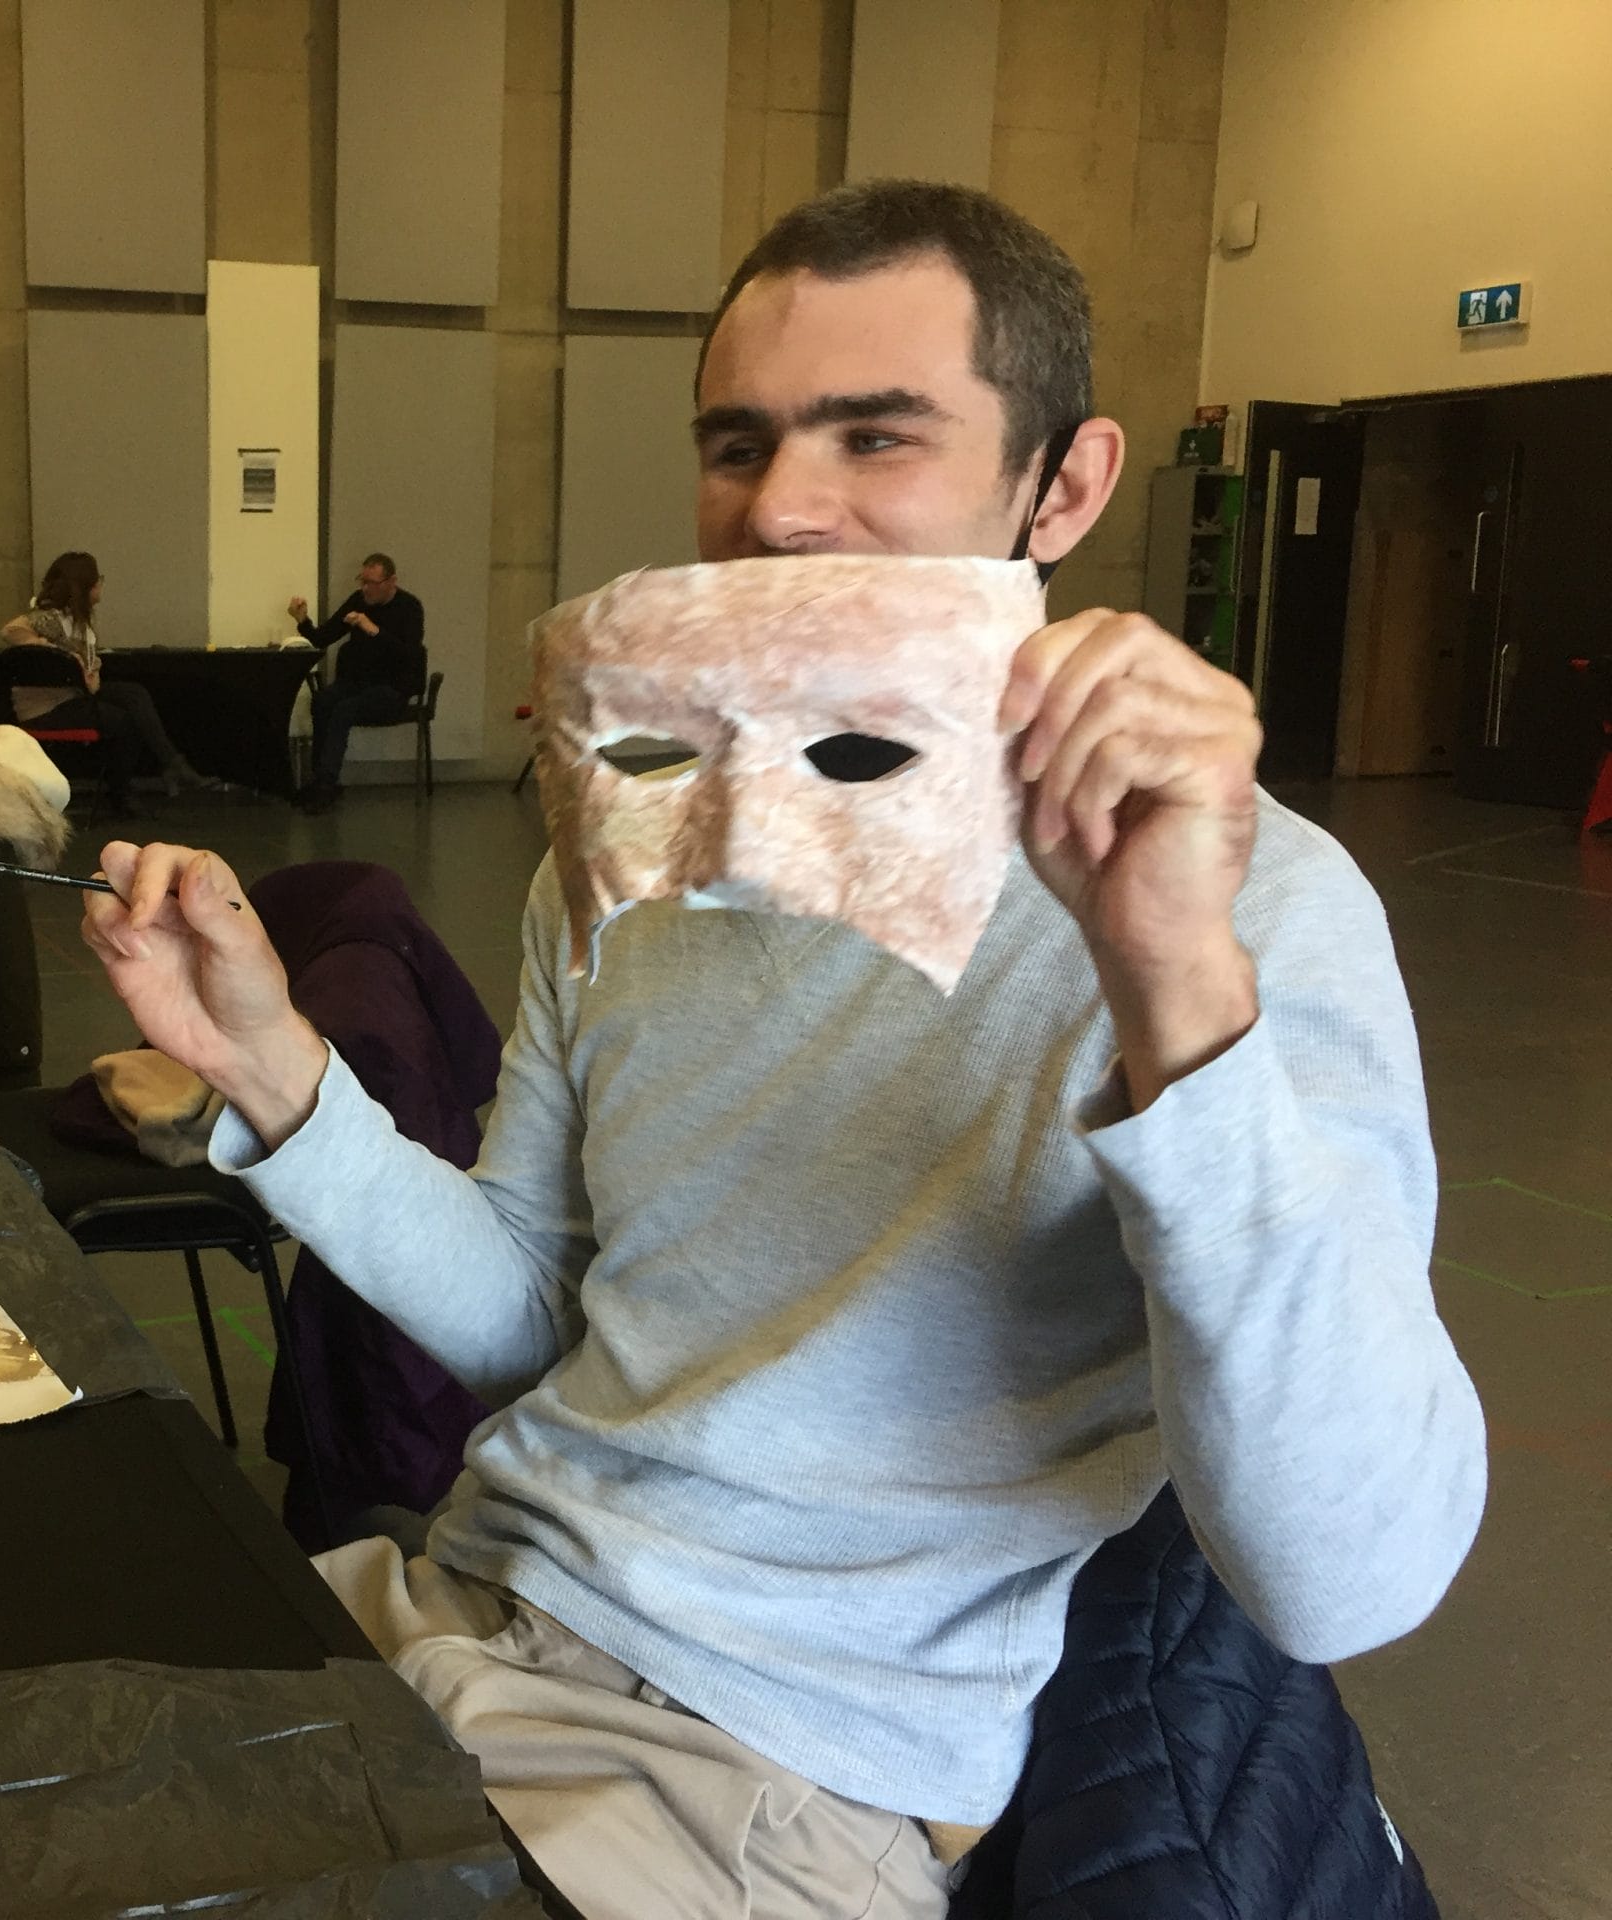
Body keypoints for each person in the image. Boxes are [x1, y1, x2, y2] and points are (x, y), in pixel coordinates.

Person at [79, 180, 1484, 1919]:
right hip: (453, 1615)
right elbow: (537, 1312)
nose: (780, 512)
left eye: (876, 438)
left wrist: (1175, 989)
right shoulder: (636, 851)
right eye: (736, 446)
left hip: (775, 1785)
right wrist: (277, 1072)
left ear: (1066, 485)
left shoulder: (1257, 913)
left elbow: (1347, 1577)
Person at [2, 551, 226, 800]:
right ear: (87, 586)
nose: (101, 584)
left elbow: (90, 682)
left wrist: (85, 670)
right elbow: (11, 631)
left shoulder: (77, 623)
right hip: (46, 709)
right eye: (99, 579)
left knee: (134, 694)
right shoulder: (46, 619)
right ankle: (122, 793)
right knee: (124, 721)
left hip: (72, 696)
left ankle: (171, 764)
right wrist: (61, 655)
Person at [289, 554, 425, 814]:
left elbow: (410, 655)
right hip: (356, 682)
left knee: (344, 710)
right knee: (322, 701)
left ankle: (327, 783)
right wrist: (302, 621)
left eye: (372, 583)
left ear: (391, 581)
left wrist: (372, 628)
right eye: (363, 581)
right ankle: (320, 779)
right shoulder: (358, 600)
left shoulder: (410, 608)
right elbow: (323, 637)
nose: (365, 589)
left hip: (392, 689)